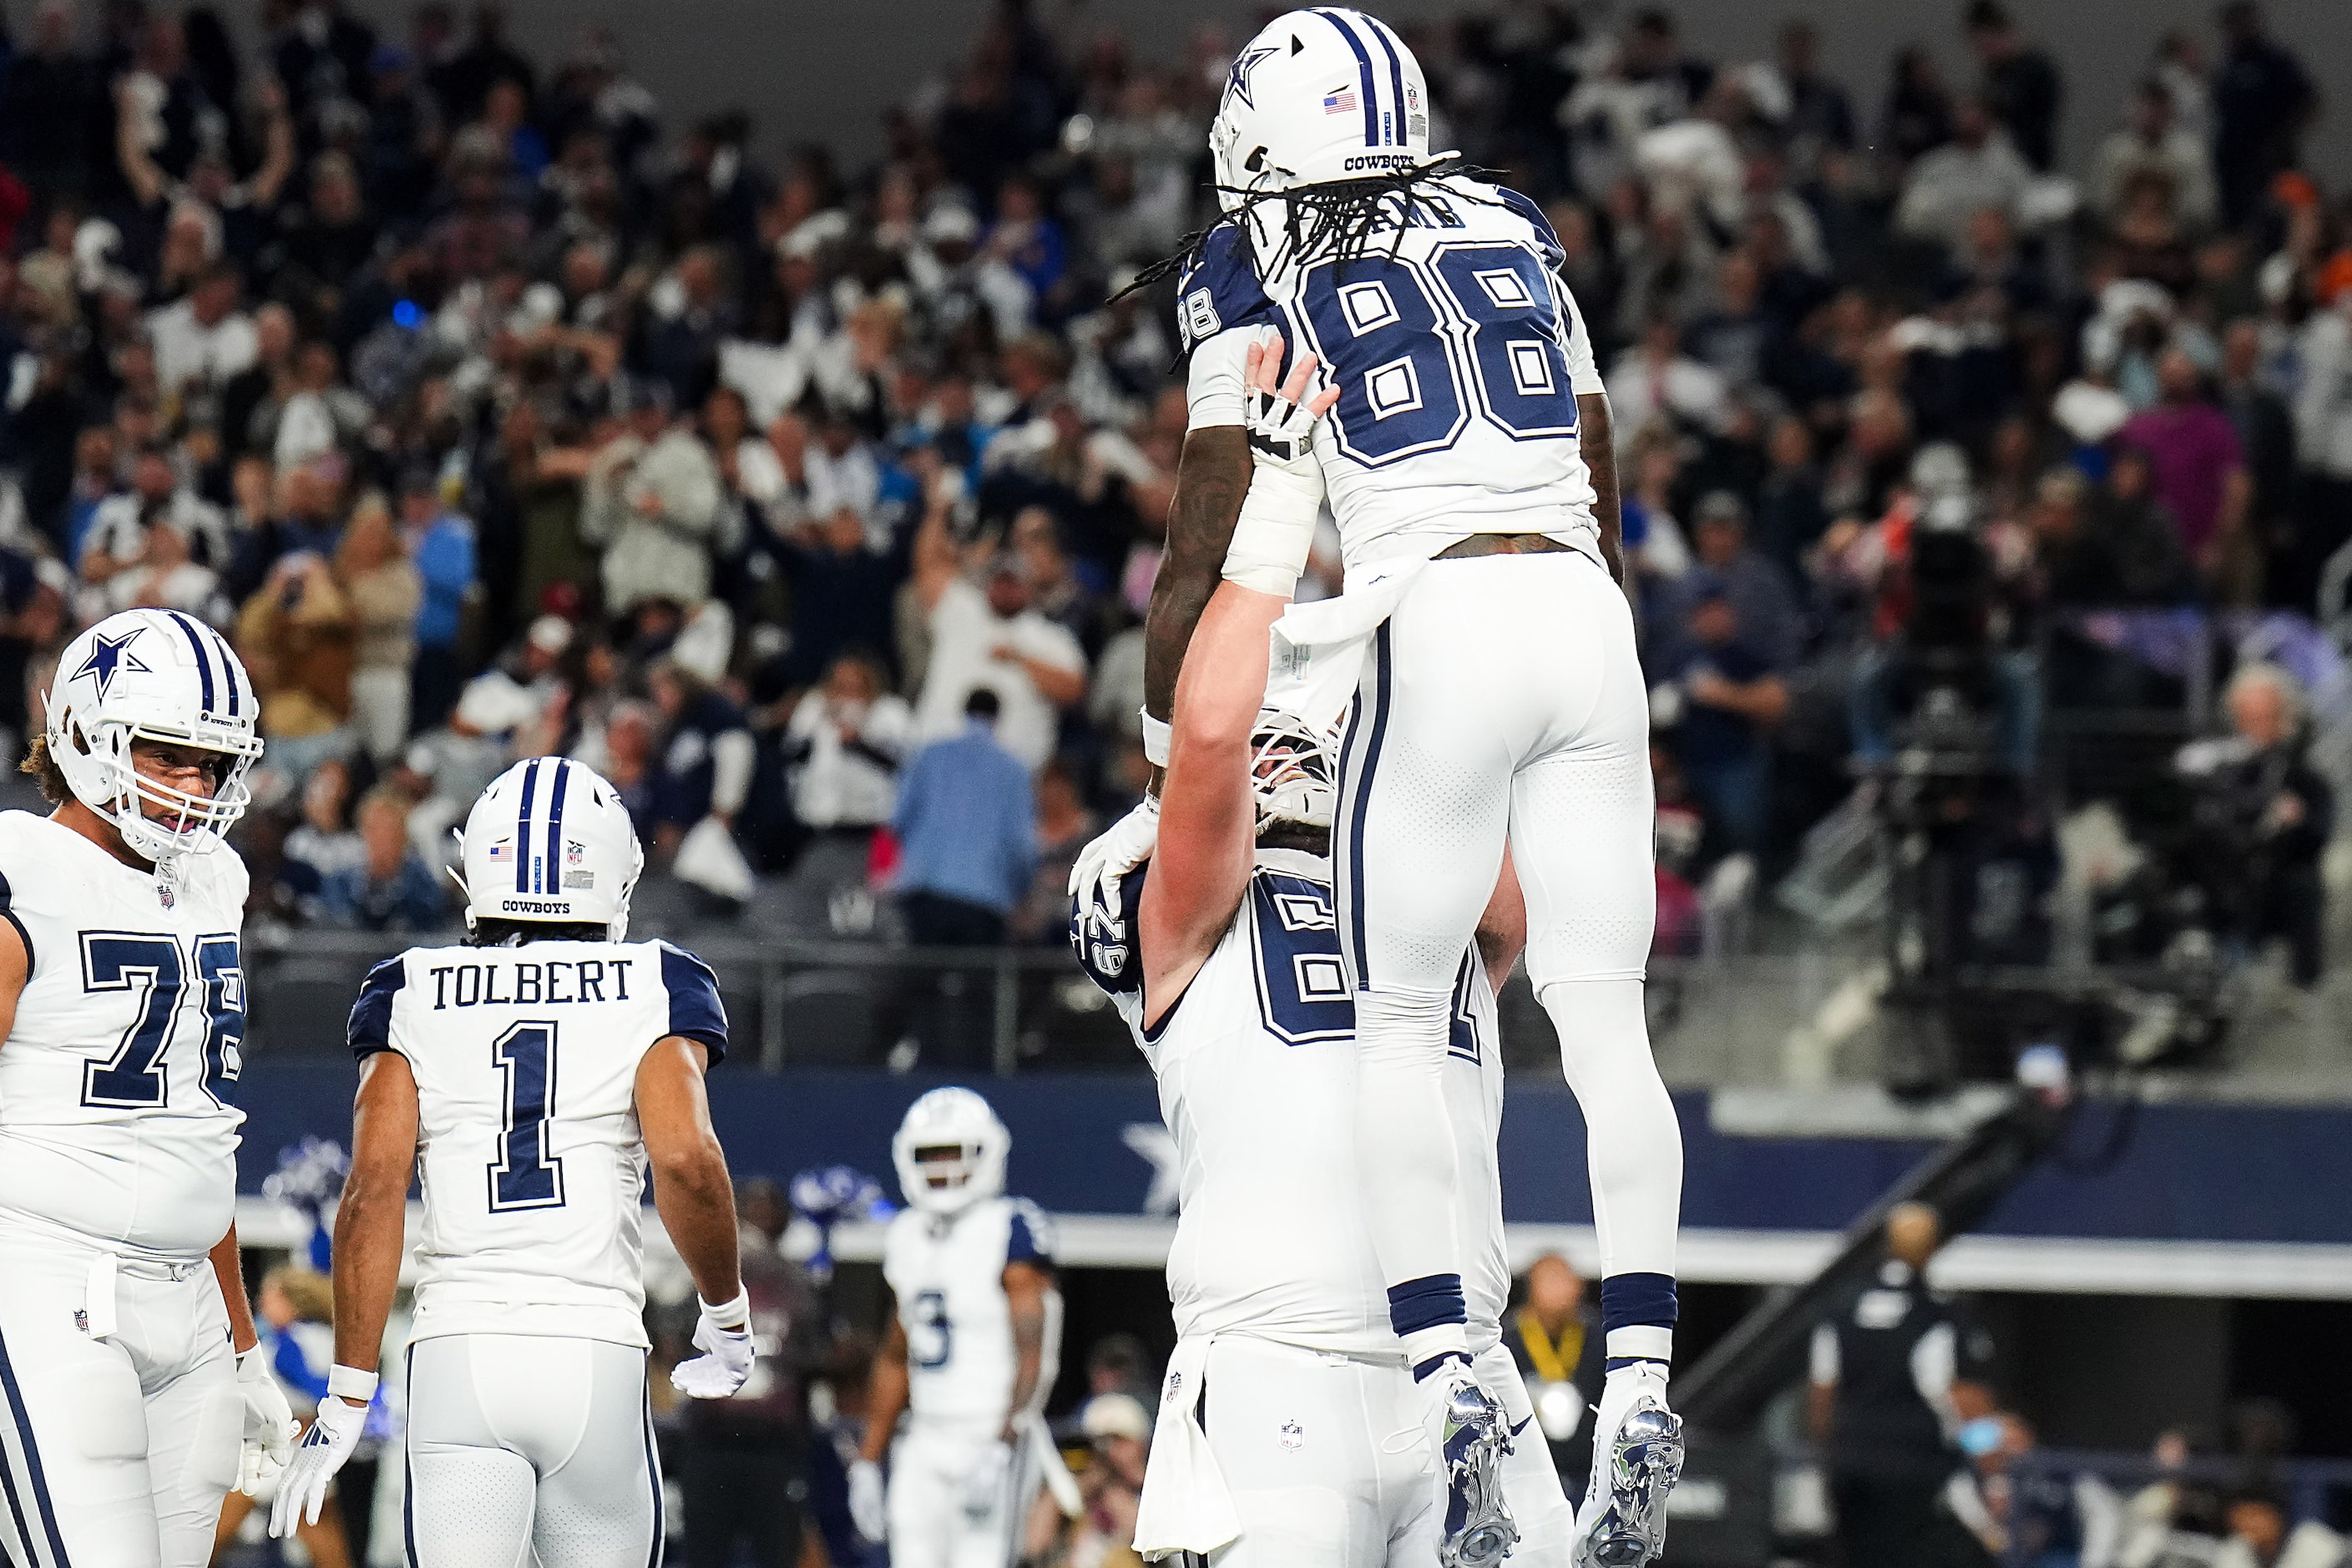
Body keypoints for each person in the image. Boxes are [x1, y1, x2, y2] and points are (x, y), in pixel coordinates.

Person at [1130, 19, 1683, 1563]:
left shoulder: (1246, 256)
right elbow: (1591, 459)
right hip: (1584, 607)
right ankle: (1639, 1371)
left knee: (1393, 1010)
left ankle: (1453, 1368)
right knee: (1606, 1024)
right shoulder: (1516, 220)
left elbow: (1208, 517)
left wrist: (1171, 706)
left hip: (1430, 608)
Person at [1068, 555, 1577, 1567]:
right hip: (1281, 1367)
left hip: (1466, 1363)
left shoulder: (1437, 904)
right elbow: (1208, 733)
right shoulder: (1188, 925)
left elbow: (1503, 800)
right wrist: (1267, 539)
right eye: (1279, 745)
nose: (1302, 759)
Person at [266, 756, 759, 1560]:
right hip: (590, 1347)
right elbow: (686, 1159)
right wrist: (727, 1314)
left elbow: (374, 1190)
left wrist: (348, 1393)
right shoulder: (655, 980)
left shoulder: (410, 987)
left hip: (458, 1351)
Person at [0, 608, 295, 1565]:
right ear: (84, 730)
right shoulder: (26, 870)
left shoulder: (215, 880)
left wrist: (245, 1345)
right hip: (49, 1282)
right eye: (167, 756)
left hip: (193, 1320)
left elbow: (194, 1138)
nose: (192, 788)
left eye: (210, 765)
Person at [848, 1087, 1064, 1568]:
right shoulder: (905, 1232)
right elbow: (895, 1352)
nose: (943, 1167)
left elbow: (1037, 1352)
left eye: (956, 1154)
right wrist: (868, 1457)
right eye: (931, 1155)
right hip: (924, 1432)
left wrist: (1004, 1441)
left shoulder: (1011, 1225)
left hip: (988, 1432)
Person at [1808, 1202, 1996, 1568]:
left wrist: (1830, 1454)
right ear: (1933, 1248)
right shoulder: (1939, 1313)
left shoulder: (1842, 1307)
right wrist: (1988, 1456)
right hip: (1916, 1469)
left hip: (1851, 1463)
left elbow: (1822, 1393)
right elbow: (1958, 1397)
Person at [893, 688, 1037, 948]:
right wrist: (1020, 892)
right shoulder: (1014, 770)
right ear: (997, 718)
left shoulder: (929, 755)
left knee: (921, 985)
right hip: (984, 902)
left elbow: (899, 819)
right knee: (974, 987)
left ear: (964, 711)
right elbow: (1021, 845)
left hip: (924, 891)